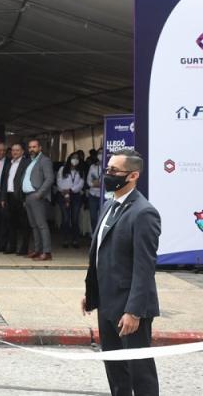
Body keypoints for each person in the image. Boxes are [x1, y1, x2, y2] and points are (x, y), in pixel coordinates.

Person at [82, 148, 160, 396]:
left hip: (129, 309)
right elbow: (100, 254)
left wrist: (134, 311)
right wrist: (91, 292)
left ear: (133, 176)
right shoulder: (108, 205)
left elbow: (144, 267)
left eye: (114, 170)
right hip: (106, 303)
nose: (108, 174)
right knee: (115, 370)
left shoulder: (144, 213)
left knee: (140, 371)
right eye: (107, 169)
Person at [22, 139, 55, 261]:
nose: (32, 149)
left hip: (37, 196)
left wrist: (40, 193)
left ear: (40, 148)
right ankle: (37, 250)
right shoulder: (30, 161)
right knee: (34, 225)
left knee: (41, 225)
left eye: (34, 147)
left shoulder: (44, 160)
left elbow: (50, 178)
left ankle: (47, 252)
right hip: (28, 196)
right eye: (30, 147)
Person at [0, 143, 30, 255]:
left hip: (21, 197)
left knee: (24, 224)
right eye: (13, 150)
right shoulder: (9, 163)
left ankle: (24, 248)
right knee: (11, 223)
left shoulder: (27, 163)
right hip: (9, 196)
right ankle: (12, 246)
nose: (14, 152)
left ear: (22, 151)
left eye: (17, 150)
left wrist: (26, 198)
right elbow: (4, 181)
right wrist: (3, 198)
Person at [57, 152, 85, 249]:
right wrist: (64, 191)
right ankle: (65, 239)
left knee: (75, 219)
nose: (75, 160)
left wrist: (71, 190)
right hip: (63, 195)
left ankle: (75, 240)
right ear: (69, 158)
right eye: (73, 157)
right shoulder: (62, 169)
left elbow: (81, 184)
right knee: (65, 218)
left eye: (77, 158)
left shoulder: (80, 171)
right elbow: (59, 181)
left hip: (76, 196)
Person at [86, 149, 103, 231]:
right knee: (93, 217)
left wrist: (101, 185)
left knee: (103, 217)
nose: (101, 155)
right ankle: (94, 234)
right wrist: (94, 184)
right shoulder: (93, 167)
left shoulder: (109, 167)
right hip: (93, 195)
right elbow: (88, 180)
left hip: (103, 196)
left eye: (102, 153)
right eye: (99, 153)